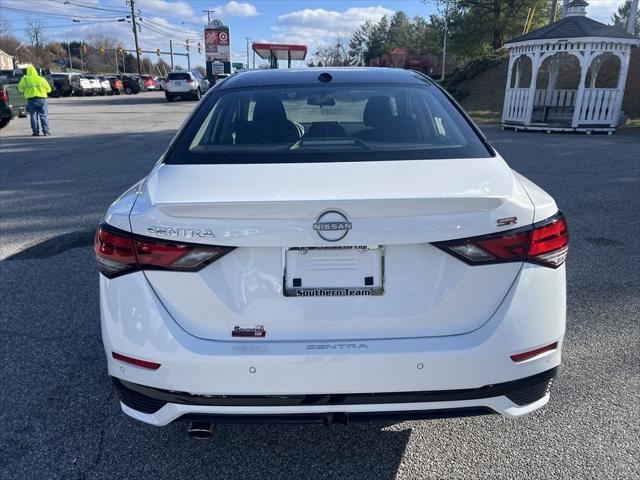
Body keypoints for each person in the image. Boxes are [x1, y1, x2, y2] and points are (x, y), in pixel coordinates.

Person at [18, 65, 52, 136]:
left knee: (33, 116)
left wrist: (26, 91)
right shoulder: (41, 79)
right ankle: (46, 131)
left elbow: (20, 89)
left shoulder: (25, 79)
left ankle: (35, 132)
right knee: (43, 115)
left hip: (31, 100)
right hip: (42, 99)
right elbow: (49, 89)